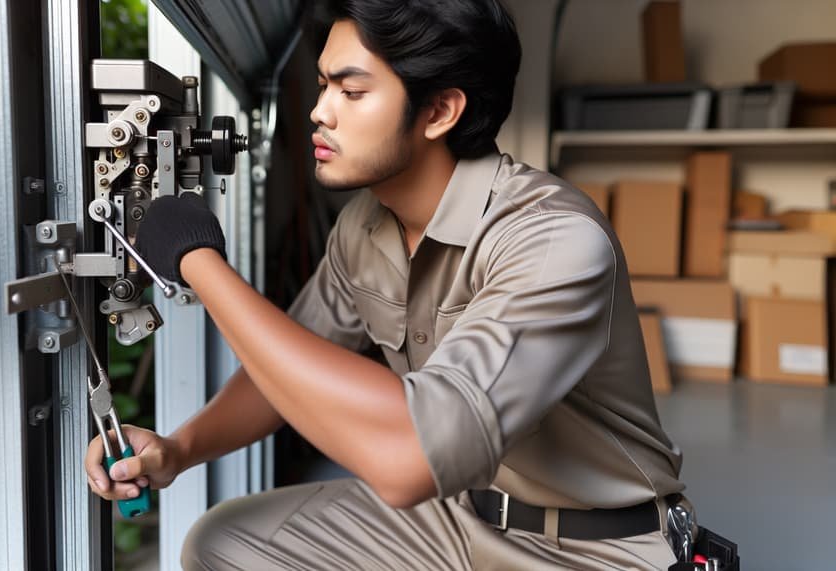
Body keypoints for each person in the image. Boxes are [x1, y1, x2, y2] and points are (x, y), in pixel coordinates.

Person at [85, 1, 690, 568]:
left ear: (438, 112)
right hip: (459, 518)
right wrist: (178, 450)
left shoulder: (553, 238)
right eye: (323, 85)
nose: (321, 111)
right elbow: (283, 371)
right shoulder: (363, 226)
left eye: (351, 90)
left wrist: (199, 263)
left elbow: (407, 461)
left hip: (597, 546)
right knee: (225, 543)